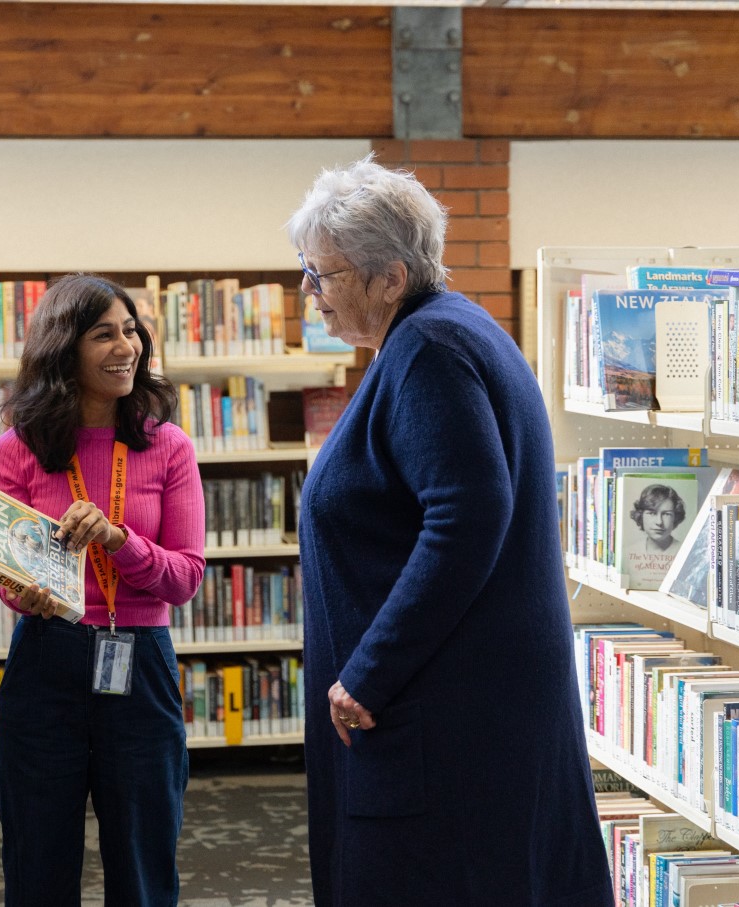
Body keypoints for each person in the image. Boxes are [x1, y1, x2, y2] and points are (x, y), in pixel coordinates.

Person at [287, 156, 614, 907]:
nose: (309, 291)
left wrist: (368, 672)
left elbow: (466, 518)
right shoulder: (454, 332)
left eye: (322, 274)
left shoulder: (428, 352)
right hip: (459, 715)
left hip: (439, 726)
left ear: (390, 277)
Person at [0, 273, 206, 906]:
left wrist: (117, 540)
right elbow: (10, 573)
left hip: (140, 662)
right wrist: (22, 593)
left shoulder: (168, 448)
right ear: (64, 350)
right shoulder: (19, 448)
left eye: (131, 331)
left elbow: (186, 577)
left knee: (143, 858)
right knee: (37, 854)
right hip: (46, 658)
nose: (125, 348)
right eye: (103, 334)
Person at [630, 482, 686, 552]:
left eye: (666, 514)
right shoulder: (628, 552)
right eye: (652, 513)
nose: (659, 522)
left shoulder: (685, 551)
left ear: (675, 518)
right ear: (641, 516)